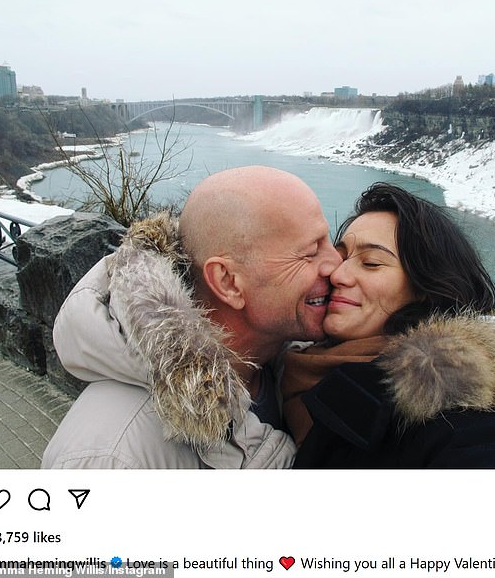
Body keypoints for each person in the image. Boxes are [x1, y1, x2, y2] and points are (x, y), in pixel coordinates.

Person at [42, 166, 341, 468]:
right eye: (310, 252)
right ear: (227, 282)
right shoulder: (111, 457)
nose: (337, 263)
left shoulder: (286, 369)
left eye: (330, 242)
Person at [282, 182, 495, 468]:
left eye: (371, 263)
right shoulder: (293, 361)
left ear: (424, 287)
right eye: (341, 256)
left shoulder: (441, 402)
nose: (338, 275)